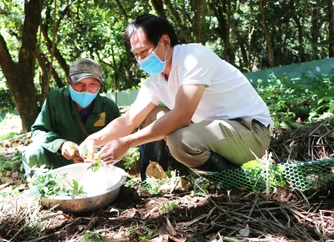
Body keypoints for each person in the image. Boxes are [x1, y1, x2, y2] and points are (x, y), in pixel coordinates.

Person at [80, 14, 273, 174]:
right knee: (150, 114)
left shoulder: (194, 57)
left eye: (144, 51)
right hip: (215, 133)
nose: (140, 60)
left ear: (164, 41)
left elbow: (182, 116)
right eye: (136, 55)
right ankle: (157, 177)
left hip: (250, 132)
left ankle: (230, 176)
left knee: (180, 141)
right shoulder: (156, 80)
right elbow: (129, 120)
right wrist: (93, 140)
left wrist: (126, 142)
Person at [22, 58, 120, 172]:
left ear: (100, 85)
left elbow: (119, 139)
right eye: (80, 83)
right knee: (33, 152)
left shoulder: (108, 108)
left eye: (92, 84)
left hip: (96, 162)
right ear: (69, 81)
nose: (86, 90)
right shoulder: (55, 100)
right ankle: (48, 186)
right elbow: (39, 130)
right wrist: (61, 144)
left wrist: (95, 155)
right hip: (62, 161)